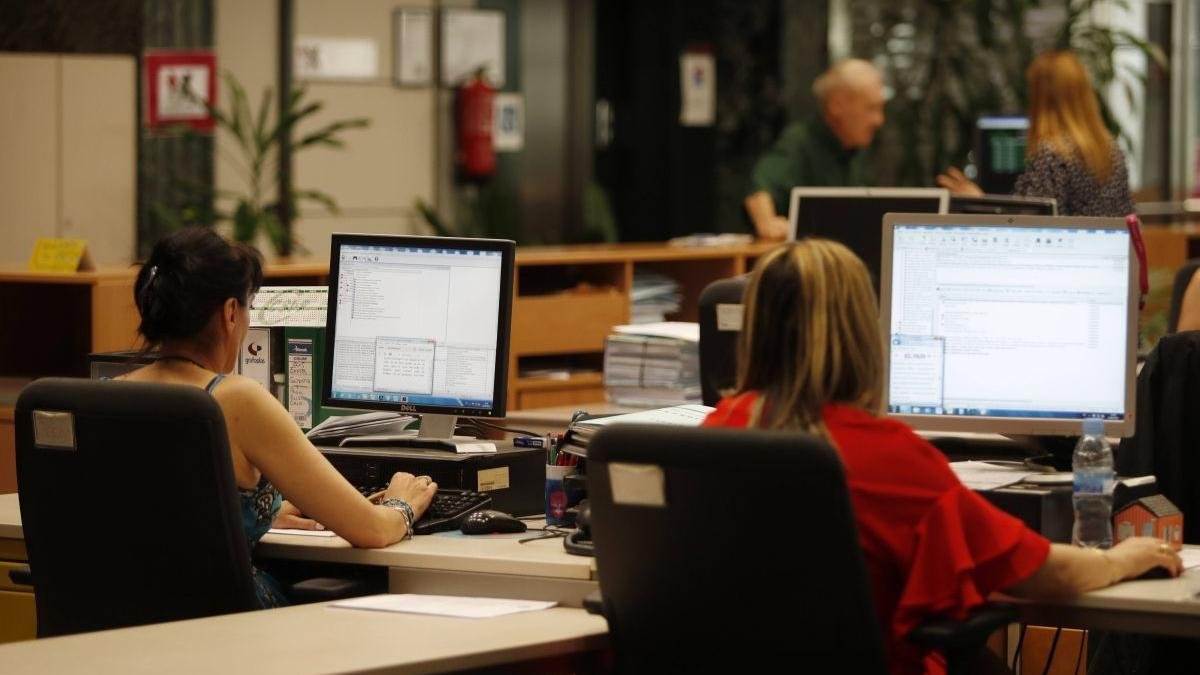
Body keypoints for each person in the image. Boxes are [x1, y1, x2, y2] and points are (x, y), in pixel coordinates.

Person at [702, 239, 1181, 675]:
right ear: (861, 334)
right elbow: (1041, 573)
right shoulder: (888, 457)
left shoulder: (713, 436)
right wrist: (1122, 559)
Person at [120, 226, 438, 608]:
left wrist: (259, 514)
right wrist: (402, 505)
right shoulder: (236, 398)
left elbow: (165, 517)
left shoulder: (107, 395)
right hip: (230, 631)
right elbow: (370, 530)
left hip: (124, 633)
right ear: (230, 313)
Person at [937, 51, 1134, 217]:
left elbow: (1030, 226)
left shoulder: (1053, 155)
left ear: (1042, 98)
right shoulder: (1110, 148)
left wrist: (980, 202)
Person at [745, 58, 885, 241]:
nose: (879, 120)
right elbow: (760, 186)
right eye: (870, 108)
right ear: (837, 105)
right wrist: (767, 221)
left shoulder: (858, 150)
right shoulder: (800, 142)